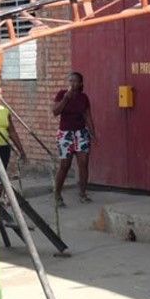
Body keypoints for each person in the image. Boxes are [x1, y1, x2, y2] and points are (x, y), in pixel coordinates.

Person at [52, 71, 95, 206]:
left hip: (81, 133)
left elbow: (87, 116)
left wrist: (93, 133)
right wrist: (65, 99)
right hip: (65, 134)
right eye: (70, 81)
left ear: (80, 83)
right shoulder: (62, 94)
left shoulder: (83, 98)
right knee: (65, 165)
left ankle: (83, 193)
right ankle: (57, 194)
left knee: (83, 163)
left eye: (75, 81)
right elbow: (55, 112)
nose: (72, 83)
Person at [0, 88, 26, 169]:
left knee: (2, 172)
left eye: (0, 93)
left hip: (4, 147)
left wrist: (21, 150)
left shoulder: (5, 111)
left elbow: (12, 132)